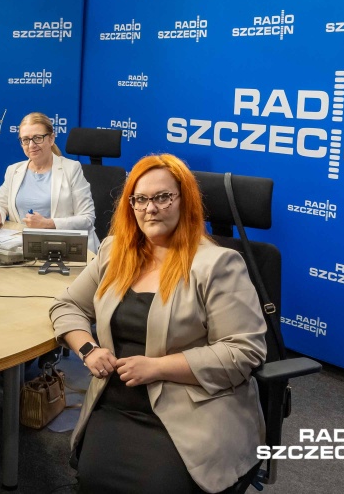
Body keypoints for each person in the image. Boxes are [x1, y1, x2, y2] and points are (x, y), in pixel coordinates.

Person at [49, 154, 267, 493]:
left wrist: (158, 368)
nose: (150, 208)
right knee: (93, 481)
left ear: (185, 201)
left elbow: (245, 351)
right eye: (140, 199)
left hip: (190, 406)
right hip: (115, 399)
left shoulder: (218, 265)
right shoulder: (113, 252)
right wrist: (88, 349)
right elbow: (67, 305)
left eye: (163, 197)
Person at [0, 112, 99, 252]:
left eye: (38, 138)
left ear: (51, 139)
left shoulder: (71, 169)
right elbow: (0, 204)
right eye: (25, 140)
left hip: (66, 249)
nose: (31, 145)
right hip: (25, 249)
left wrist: (48, 224)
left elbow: (87, 219)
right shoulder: (14, 170)